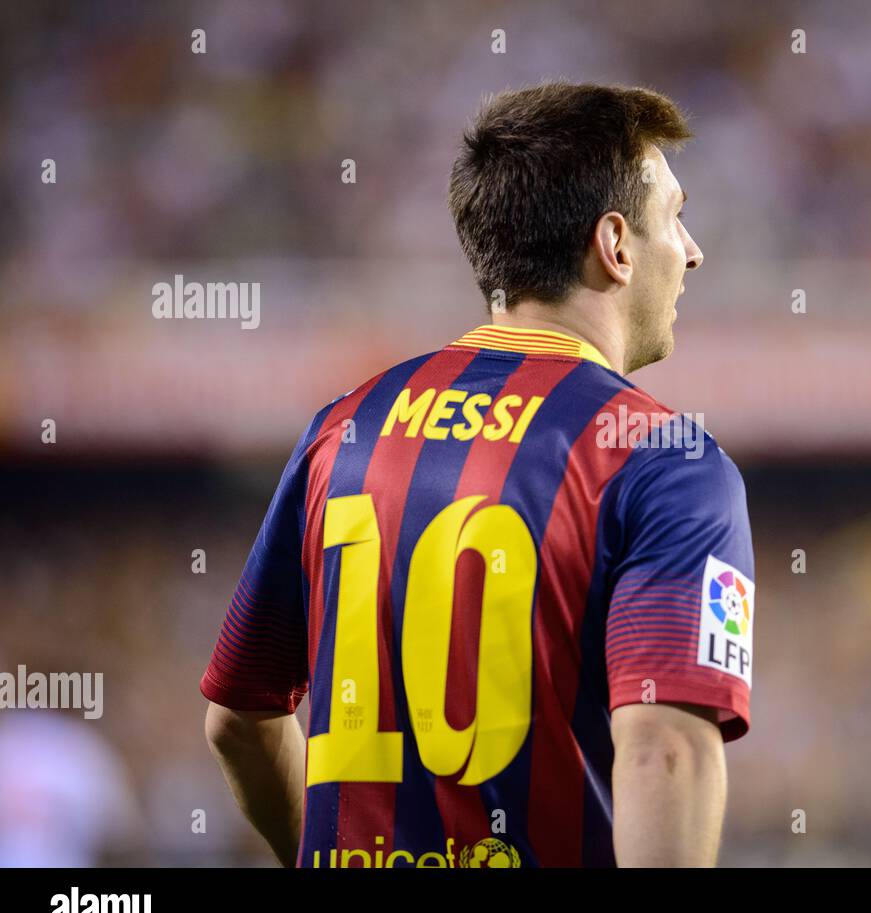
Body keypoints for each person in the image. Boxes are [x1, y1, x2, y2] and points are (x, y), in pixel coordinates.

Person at [201, 82, 755, 867]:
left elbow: (237, 718)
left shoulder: (342, 429)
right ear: (616, 244)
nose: (693, 249)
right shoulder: (667, 461)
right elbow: (665, 750)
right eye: (675, 216)